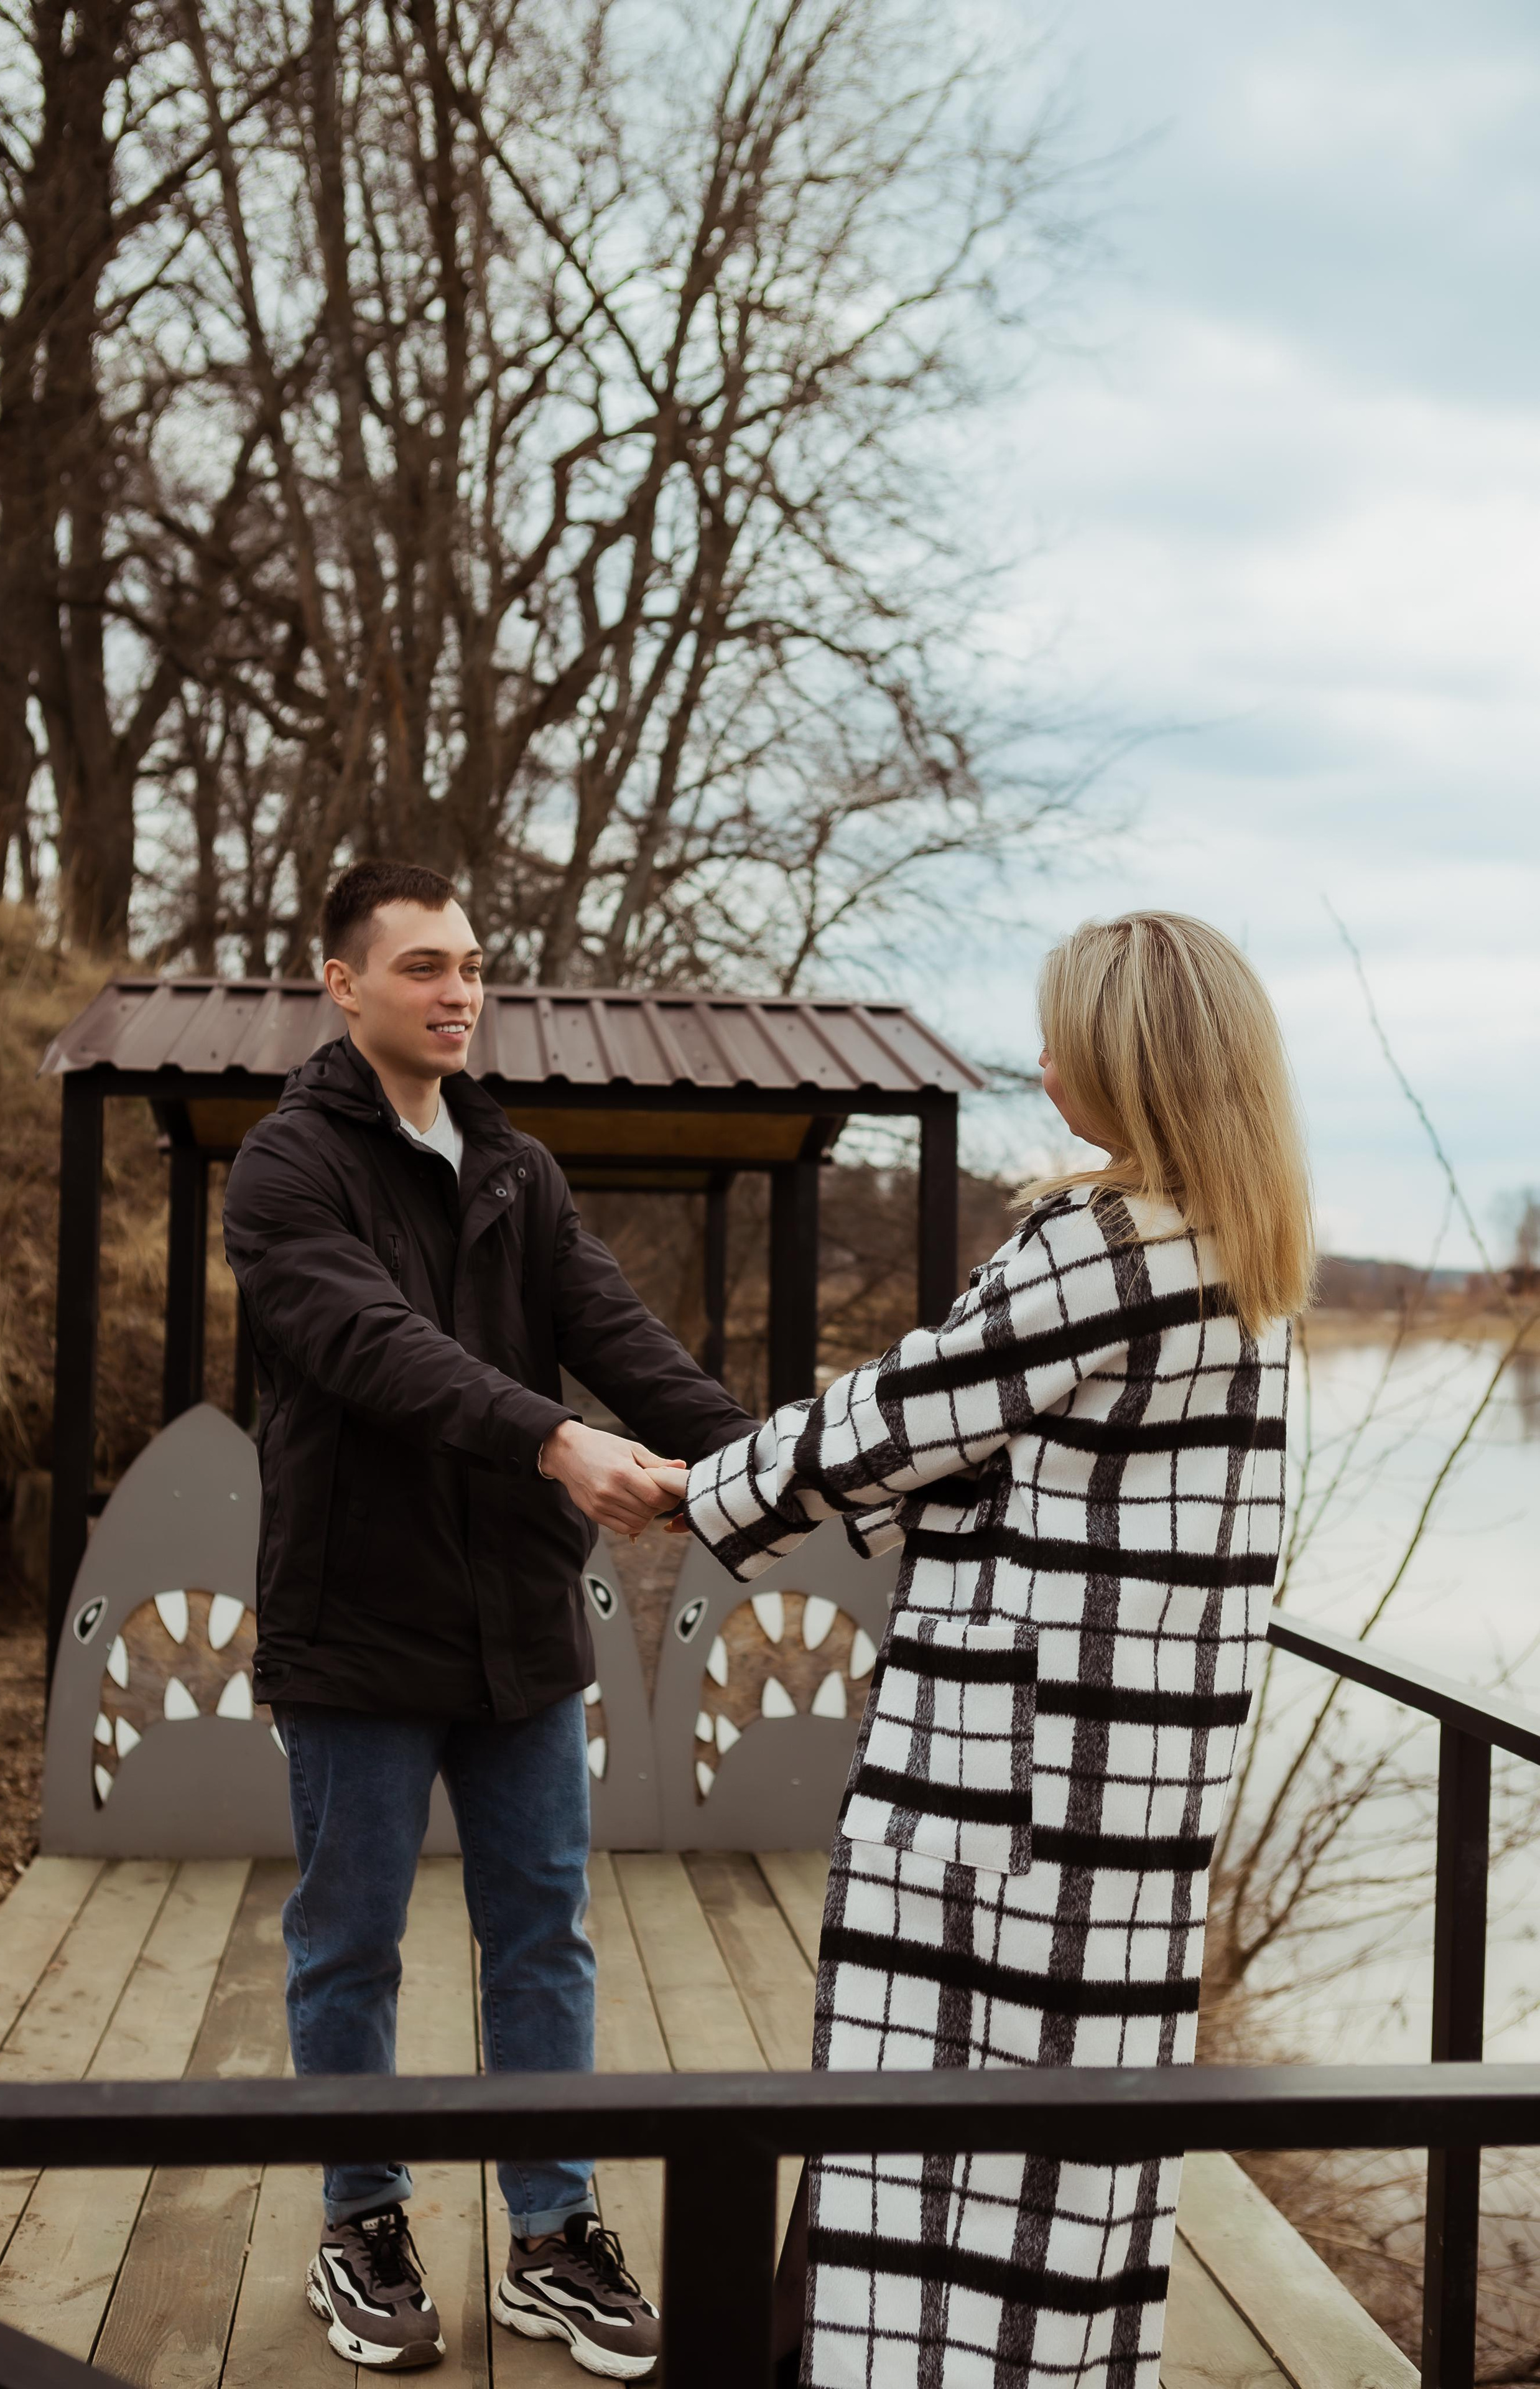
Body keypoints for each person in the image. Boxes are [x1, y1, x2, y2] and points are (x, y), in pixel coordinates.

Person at [680, 911, 1313, 2389]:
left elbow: (910, 1409)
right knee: (1068, 2158)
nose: (1039, 1064)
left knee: (927, 2136)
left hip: (1006, 1784)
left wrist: (694, 1492)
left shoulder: (1106, 1244)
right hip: (1134, 1783)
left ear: (1130, 1063)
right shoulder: (1245, 1250)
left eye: (1064, 1042)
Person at [223, 859, 756, 2379]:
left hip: (519, 1630)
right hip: (357, 1631)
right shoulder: (284, 1171)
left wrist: (771, 1464)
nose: (459, 992)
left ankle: (549, 2232)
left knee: (544, 1940)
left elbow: (615, 1332)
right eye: (422, 969)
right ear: (342, 984)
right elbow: (373, 1347)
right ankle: (363, 2220)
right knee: (350, 1947)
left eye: (471, 967)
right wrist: (556, 1442)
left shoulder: (516, 1168)